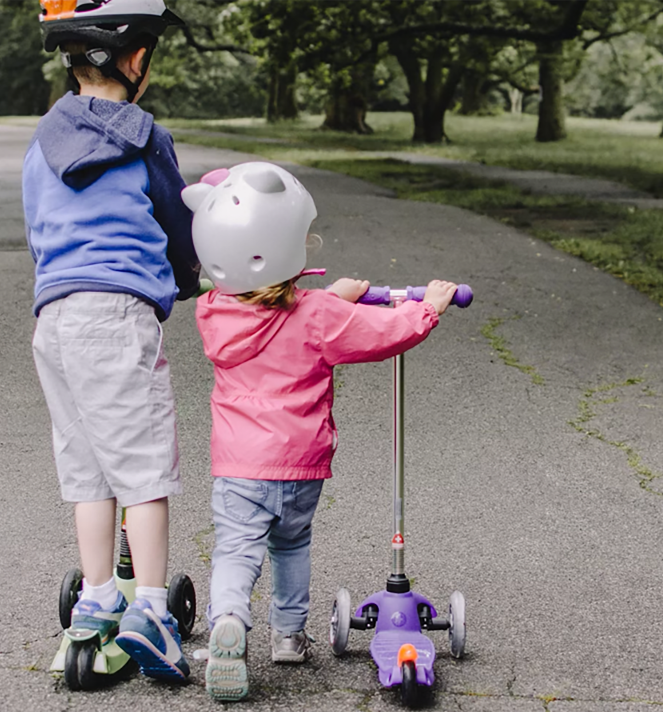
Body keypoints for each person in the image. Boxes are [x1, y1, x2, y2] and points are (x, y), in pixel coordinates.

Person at [182, 162, 459, 701]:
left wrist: (333, 294)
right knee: (292, 545)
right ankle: (287, 637)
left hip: (239, 464)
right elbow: (380, 333)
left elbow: (273, 308)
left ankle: (230, 621)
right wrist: (427, 308)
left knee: (237, 550)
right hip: (300, 464)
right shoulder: (317, 315)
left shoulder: (215, 312)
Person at [23, 0, 199, 683]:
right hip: (116, 314)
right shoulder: (143, 134)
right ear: (134, 60)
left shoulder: (42, 140)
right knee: (143, 465)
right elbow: (176, 219)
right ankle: (151, 607)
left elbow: (39, 227)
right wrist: (188, 278)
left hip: (55, 319)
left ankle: (97, 597)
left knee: (87, 467)